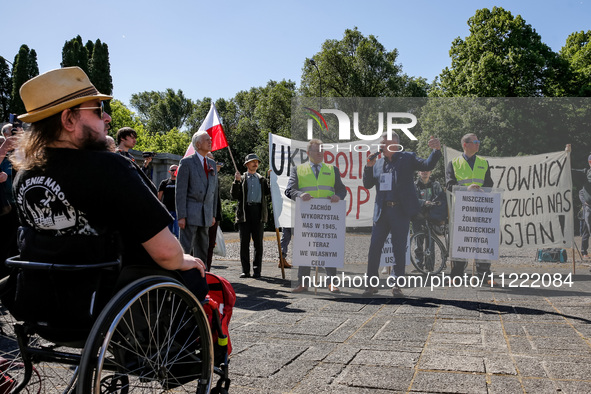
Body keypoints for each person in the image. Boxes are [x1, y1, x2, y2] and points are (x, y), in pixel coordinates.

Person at [8, 66, 207, 300]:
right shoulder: (109, 167)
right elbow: (166, 253)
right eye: (98, 109)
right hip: (107, 299)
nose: (108, 117)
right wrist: (184, 259)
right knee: (197, 277)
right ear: (69, 119)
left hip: (43, 300)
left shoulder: (23, 175)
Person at [363, 132, 442, 297]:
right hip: (382, 212)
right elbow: (368, 184)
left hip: (400, 211)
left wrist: (435, 151)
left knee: (399, 249)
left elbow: (427, 165)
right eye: (381, 143)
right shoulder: (377, 163)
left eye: (384, 143)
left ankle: (397, 285)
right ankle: (371, 284)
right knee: (374, 247)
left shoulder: (407, 158)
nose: (380, 146)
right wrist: (368, 167)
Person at [285, 139, 347, 293]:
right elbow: (289, 190)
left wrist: (338, 196)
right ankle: (303, 283)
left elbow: (342, 190)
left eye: (322, 151)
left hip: (328, 217)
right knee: (306, 249)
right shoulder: (298, 170)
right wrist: (300, 194)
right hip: (307, 217)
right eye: (316, 151)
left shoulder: (333, 169)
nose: (320, 153)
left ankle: (331, 282)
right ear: (308, 153)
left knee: (328, 248)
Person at [445, 133, 494, 279]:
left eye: (478, 141)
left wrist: (481, 189)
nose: (479, 144)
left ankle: (484, 275)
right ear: (465, 145)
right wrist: (466, 189)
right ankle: (457, 275)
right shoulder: (454, 163)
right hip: (461, 209)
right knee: (461, 241)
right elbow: (449, 185)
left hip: (481, 207)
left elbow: (489, 184)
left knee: (483, 241)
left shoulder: (483, 162)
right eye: (476, 141)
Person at [176, 131, 218, 265]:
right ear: (198, 144)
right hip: (190, 213)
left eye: (210, 139)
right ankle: (183, 276)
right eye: (207, 140)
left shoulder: (212, 164)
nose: (210, 142)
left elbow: (214, 192)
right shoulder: (187, 162)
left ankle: (202, 276)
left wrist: (213, 214)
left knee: (203, 249)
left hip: (206, 214)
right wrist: (181, 215)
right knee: (186, 248)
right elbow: (180, 191)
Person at [231, 153, 271, 278]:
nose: (255, 163)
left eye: (257, 162)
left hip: (258, 212)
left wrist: (270, 178)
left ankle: (257, 270)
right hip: (245, 213)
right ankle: (245, 270)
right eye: (253, 161)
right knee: (244, 243)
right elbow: (234, 196)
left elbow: (270, 193)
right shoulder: (241, 178)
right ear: (247, 164)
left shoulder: (262, 179)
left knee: (258, 244)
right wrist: (236, 182)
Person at [411, 170, 445, 271]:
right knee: (418, 242)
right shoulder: (414, 185)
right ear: (418, 172)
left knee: (431, 242)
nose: (424, 172)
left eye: (427, 171)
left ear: (430, 172)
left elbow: (441, 198)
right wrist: (424, 202)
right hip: (418, 216)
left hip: (432, 216)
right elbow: (412, 199)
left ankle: (430, 267)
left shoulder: (436, 184)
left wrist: (434, 203)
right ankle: (419, 265)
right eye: (422, 171)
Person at [206, 153, 223, 271]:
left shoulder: (214, 175)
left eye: (213, 160)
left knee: (210, 245)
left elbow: (216, 197)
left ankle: (208, 270)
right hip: (201, 216)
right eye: (209, 159)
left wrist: (216, 216)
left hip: (214, 216)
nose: (212, 162)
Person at [158, 164, 179, 238]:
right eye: (172, 170)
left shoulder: (182, 182)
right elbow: (159, 197)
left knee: (178, 234)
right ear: (169, 171)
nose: (174, 171)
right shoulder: (164, 182)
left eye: (176, 169)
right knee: (168, 235)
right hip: (167, 211)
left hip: (178, 211)